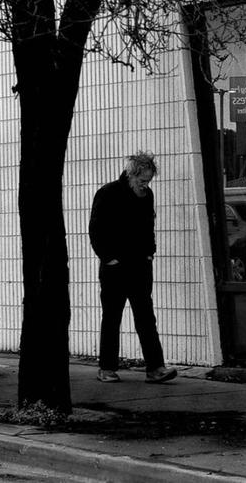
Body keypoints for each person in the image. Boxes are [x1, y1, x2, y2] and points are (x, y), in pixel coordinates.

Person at [88, 151, 177, 384]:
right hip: (115, 267)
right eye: (142, 180)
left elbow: (149, 226)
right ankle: (106, 368)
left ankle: (155, 367)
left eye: (148, 180)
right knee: (112, 317)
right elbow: (96, 229)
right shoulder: (108, 193)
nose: (145, 185)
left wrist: (149, 254)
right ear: (131, 174)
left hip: (139, 265)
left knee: (146, 317)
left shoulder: (147, 195)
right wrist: (108, 258)